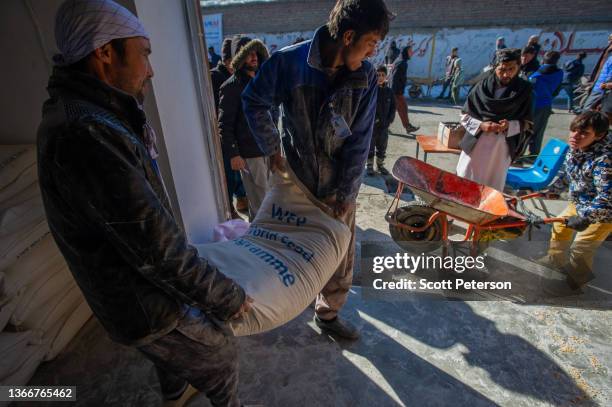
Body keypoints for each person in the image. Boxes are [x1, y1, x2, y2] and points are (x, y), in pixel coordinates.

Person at [37, 1, 251, 406]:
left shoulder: (91, 110)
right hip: (139, 301)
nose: (150, 69)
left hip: (130, 292)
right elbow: (156, 249)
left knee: (173, 353)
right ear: (104, 52)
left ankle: (175, 393)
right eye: (144, 53)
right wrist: (228, 297)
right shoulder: (87, 132)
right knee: (219, 353)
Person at [242, 0, 394, 340]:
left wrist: (346, 194)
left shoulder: (365, 77)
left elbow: (360, 141)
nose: (373, 52)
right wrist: (271, 148)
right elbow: (254, 102)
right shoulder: (287, 63)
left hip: (339, 183)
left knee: (339, 255)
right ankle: (287, 301)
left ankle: (327, 314)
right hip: (297, 180)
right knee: (290, 244)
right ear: (348, 36)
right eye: (371, 43)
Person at [539, 111, 611, 295]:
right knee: (559, 228)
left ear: (599, 136)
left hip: (603, 212)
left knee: (581, 247)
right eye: (573, 130)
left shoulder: (605, 160)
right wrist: (553, 191)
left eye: (584, 133)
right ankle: (555, 263)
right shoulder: (576, 147)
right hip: (579, 202)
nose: (575, 136)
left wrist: (585, 217)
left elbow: (607, 197)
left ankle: (576, 284)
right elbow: (567, 173)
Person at [456, 48, 533, 191]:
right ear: (494, 67)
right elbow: (464, 116)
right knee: (466, 183)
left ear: (518, 67)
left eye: (511, 69)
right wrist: (481, 125)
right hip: (476, 146)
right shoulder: (480, 88)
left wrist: (510, 125)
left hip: (500, 149)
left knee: (491, 188)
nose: (506, 74)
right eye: (502, 69)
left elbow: (528, 124)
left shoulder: (524, 91)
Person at [218, 36, 271, 221]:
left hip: (268, 150)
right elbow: (225, 124)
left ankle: (266, 235)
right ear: (239, 57)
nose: (253, 57)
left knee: (270, 199)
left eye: (255, 52)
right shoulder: (230, 87)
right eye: (247, 54)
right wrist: (234, 154)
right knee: (261, 202)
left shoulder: (261, 81)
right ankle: (262, 240)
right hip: (250, 154)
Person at [211, 37, 248, 218]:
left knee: (238, 173)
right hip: (224, 135)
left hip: (236, 133)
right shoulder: (215, 77)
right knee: (229, 173)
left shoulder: (236, 77)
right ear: (226, 61)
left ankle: (241, 199)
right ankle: (230, 207)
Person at [528, 51, 564, 156]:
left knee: (527, 129)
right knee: (539, 131)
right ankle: (533, 154)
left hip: (532, 104)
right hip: (546, 104)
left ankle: (520, 153)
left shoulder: (536, 75)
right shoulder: (559, 73)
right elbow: (557, 90)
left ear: (543, 59)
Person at [367, 65, 396, 176]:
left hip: (384, 125)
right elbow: (367, 106)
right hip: (372, 125)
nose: (380, 77)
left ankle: (380, 165)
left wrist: (390, 119)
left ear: (386, 76)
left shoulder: (389, 92)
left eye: (382, 75)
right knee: (370, 145)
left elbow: (393, 107)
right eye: (378, 75)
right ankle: (369, 166)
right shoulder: (371, 90)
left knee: (382, 145)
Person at [390, 45, 420, 134]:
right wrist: (394, 93)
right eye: (410, 51)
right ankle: (383, 127)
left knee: (401, 109)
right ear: (405, 52)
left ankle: (407, 127)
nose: (412, 53)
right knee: (394, 110)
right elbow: (394, 77)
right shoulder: (402, 63)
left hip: (397, 92)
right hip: (396, 92)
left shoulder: (401, 61)